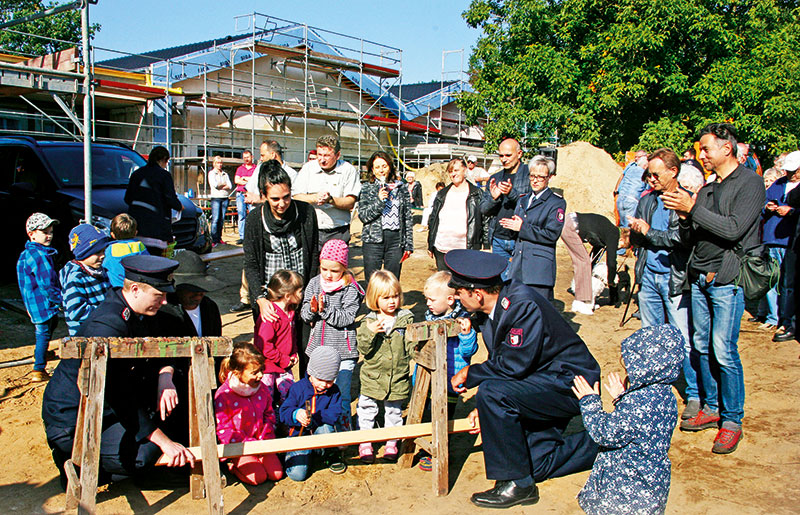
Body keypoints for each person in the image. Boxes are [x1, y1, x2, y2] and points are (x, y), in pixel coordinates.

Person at [446, 249, 601, 509]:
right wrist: (487, 412)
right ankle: (604, 442)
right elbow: (510, 363)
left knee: (493, 394)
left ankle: (516, 483)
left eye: (459, 293)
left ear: (477, 293)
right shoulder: (493, 308)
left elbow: (513, 365)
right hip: (540, 381)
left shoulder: (521, 305)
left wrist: (472, 375)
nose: (457, 297)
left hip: (569, 384)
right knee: (535, 465)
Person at [42, 255, 196, 490]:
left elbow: (164, 346)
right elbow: (116, 394)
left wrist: (165, 377)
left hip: (116, 404)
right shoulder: (107, 327)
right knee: (144, 454)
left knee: (176, 406)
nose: (165, 301)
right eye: (159, 295)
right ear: (135, 289)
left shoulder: (143, 311)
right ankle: (78, 464)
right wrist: (164, 442)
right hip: (77, 415)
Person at [663, 122, 764, 454]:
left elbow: (734, 229)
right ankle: (711, 407)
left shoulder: (750, 183)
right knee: (702, 347)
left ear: (727, 147)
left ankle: (732, 420)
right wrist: (682, 215)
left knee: (724, 350)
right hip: (700, 278)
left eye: (706, 148)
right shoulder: (707, 189)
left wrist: (693, 209)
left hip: (726, 279)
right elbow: (694, 237)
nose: (701, 154)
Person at [572, 324, 684, 515]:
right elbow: (640, 425)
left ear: (647, 366)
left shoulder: (637, 403)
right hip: (651, 488)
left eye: (633, 363)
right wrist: (622, 399)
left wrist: (589, 402)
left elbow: (605, 433)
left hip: (625, 493)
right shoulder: (667, 395)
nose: (628, 368)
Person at [627, 148, 696, 419]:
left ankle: (693, 394)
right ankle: (654, 390)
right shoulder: (648, 200)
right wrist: (636, 233)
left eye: (655, 174)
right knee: (651, 338)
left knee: (684, 340)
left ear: (673, 172)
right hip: (649, 278)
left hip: (673, 278)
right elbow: (641, 240)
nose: (651, 179)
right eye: (648, 174)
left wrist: (648, 232)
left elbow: (681, 240)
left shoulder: (683, 201)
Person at [242, 160, 319, 321]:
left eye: (286, 197)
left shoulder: (306, 213)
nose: (282, 204)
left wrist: (309, 292)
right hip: (271, 301)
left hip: (301, 297)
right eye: (275, 199)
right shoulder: (255, 219)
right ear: (264, 196)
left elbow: (313, 257)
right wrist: (259, 299)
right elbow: (251, 264)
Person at [300, 239, 364, 431]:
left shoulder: (351, 288)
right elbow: (304, 313)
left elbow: (347, 317)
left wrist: (324, 310)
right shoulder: (314, 283)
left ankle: (343, 432)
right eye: (324, 269)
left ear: (344, 268)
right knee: (316, 393)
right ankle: (318, 430)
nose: (328, 275)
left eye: (334, 270)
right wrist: (311, 310)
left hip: (343, 352)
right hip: (318, 351)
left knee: (342, 394)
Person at [355, 270, 414, 463]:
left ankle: (391, 442)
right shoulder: (368, 321)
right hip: (372, 377)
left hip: (397, 376)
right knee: (366, 409)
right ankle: (365, 442)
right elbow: (363, 349)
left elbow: (412, 346)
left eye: (395, 296)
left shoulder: (406, 319)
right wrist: (370, 332)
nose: (392, 301)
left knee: (394, 411)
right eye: (386, 297)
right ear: (374, 298)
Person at [214, 343, 283, 485]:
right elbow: (223, 430)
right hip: (239, 446)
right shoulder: (224, 395)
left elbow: (269, 414)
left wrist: (267, 434)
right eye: (254, 372)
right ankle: (233, 465)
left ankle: (258, 460)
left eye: (261, 370)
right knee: (258, 478)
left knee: (276, 474)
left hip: (262, 441)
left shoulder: (262, 388)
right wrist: (247, 443)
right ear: (238, 372)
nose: (260, 375)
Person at [499, 156, 564, 301]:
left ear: (550, 178)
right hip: (518, 266)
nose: (535, 180)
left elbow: (551, 234)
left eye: (540, 177)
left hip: (538, 269)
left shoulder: (555, 202)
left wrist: (522, 227)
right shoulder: (523, 199)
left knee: (539, 312)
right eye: (532, 176)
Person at [279, 346, 346, 480]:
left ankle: (329, 452)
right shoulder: (297, 388)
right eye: (320, 379)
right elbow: (283, 413)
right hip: (299, 434)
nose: (324, 385)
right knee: (297, 475)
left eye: (329, 381)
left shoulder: (334, 391)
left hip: (319, 429)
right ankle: (299, 454)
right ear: (310, 373)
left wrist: (315, 418)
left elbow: (335, 412)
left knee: (326, 428)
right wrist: (296, 414)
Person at [292, 134, 361, 244]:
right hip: (311, 230)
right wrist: (315, 197)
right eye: (319, 155)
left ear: (338, 155)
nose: (322, 160)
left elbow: (350, 202)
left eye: (327, 155)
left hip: (338, 232)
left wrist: (330, 200)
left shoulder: (348, 170)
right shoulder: (308, 168)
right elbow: (296, 196)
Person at [17, 212, 61, 382]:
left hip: (33, 303)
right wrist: (59, 299)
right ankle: (38, 369)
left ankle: (42, 353)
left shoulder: (26, 254)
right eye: (44, 232)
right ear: (32, 234)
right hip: (43, 303)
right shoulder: (40, 256)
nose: (49, 235)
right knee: (43, 333)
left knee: (51, 325)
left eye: (50, 231)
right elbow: (47, 283)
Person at [761, 150, 800, 342]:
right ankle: (782, 319)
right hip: (774, 238)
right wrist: (767, 205)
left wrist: (791, 211)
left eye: (794, 171)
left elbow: (793, 203)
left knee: (788, 282)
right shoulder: (778, 183)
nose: (791, 174)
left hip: (792, 239)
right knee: (780, 282)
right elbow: (763, 199)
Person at [358, 151, 414, 281]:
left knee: (392, 279)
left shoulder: (401, 188)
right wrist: (379, 201)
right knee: (373, 280)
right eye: (377, 167)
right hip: (373, 240)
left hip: (396, 240)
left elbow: (407, 218)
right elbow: (363, 216)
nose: (381, 170)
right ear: (372, 169)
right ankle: (372, 302)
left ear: (390, 167)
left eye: (384, 166)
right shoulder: (367, 188)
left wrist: (408, 244)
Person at [253, 270, 303, 404]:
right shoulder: (271, 317)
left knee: (289, 398)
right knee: (265, 400)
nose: (301, 294)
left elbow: (291, 337)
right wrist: (284, 359)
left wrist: (293, 353)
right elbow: (265, 346)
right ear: (287, 295)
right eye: (299, 291)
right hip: (268, 368)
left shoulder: (290, 313)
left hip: (284, 366)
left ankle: (286, 422)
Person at [481, 137, 531, 270]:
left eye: (508, 155)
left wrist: (511, 194)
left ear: (519, 154)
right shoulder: (495, 178)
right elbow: (484, 210)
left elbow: (532, 206)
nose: (504, 159)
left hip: (520, 239)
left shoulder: (530, 176)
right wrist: (494, 199)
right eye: (501, 155)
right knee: (501, 282)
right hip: (498, 239)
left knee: (520, 282)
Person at [562, 213, 628, 312]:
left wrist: (589, 271)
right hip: (571, 225)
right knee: (583, 262)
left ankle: (584, 298)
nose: (619, 248)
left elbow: (594, 255)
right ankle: (580, 302)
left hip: (570, 220)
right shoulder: (613, 234)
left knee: (585, 262)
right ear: (622, 238)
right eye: (622, 246)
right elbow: (611, 262)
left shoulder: (606, 231)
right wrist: (611, 282)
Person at [125, 146, 184, 256]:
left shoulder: (136, 174)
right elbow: (170, 198)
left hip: (137, 226)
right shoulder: (164, 175)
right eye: (166, 161)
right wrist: (179, 206)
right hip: (156, 228)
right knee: (155, 260)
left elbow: (128, 198)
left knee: (139, 258)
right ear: (163, 159)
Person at [427, 157, 484, 270]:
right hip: (442, 249)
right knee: (444, 284)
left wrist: (486, 245)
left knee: (463, 285)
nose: (453, 174)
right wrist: (430, 244)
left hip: (465, 249)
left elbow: (485, 220)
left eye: (456, 170)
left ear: (464, 170)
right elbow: (433, 219)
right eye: (450, 171)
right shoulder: (442, 194)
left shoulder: (476, 194)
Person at [60, 224, 112, 336]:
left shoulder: (101, 272)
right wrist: (107, 311)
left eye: (104, 251)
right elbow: (76, 311)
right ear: (84, 253)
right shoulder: (76, 278)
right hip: (85, 335)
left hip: (101, 328)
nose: (103, 256)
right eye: (98, 252)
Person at [164, 250, 224, 338]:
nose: (199, 294)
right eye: (192, 289)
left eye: (201, 288)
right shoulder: (165, 312)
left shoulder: (209, 307)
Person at [103, 213, 149, 288]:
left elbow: (104, 267)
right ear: (135, 233)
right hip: (136, 287)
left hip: (116, 289)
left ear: (112, 235)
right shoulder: (139, 246)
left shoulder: (109, 250)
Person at [246, 140, 297, 205]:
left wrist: (261, 199)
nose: (261, 159)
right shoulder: (258, 169)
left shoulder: (291, 174)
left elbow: (292, 199)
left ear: (273, 155)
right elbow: (249, 193)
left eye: (263, 155)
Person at [614, 150, 649, 229]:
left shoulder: (631, 167)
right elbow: (646, 191)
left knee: (623, 224)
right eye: (635, 157)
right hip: (631, 200)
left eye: (638, 157)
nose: (636, 159)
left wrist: (617, 190)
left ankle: (622, 239)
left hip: (621, 198)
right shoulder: (644, 173)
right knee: (630, 225)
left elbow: (622, 177)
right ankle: (627, 240)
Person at [208, 155, 232, 247]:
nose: (220, 164)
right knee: (215, 219)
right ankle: (213, 239)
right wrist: (223, 185)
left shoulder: (225, 174)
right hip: (216, 198)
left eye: (221, 163)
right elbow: (215, 185)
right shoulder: (211, 173)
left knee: (221, 219)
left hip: (225, 198)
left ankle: (219, 238)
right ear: (214, 164)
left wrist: (222, 186)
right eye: (218, 163)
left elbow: (230, 186)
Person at [234, 149, 257, 244]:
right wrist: (249, 181)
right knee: (241, 215)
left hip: (251, 194)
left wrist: (244, 178)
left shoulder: (256, 168)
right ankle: (242, 237)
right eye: (244, 158)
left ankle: (253, 236)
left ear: (252, 157)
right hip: (240, 195)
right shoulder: (240, 169)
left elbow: (255, 181)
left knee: (253, 215)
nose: (246, 159)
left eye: (248, 157)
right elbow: (236, 180)